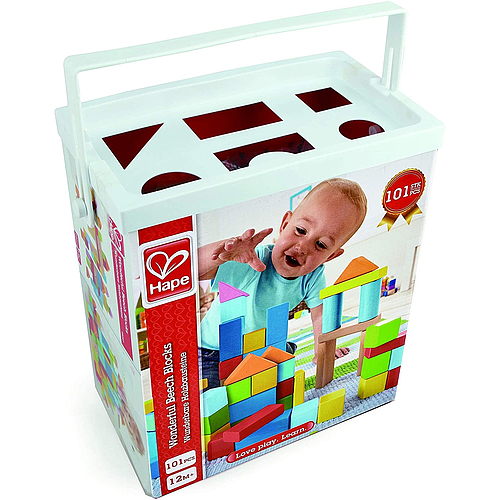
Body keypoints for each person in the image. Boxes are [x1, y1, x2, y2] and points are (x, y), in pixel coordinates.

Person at [198, 178, 367, 388]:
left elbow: (320, 314)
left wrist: (321, 348)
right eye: (301, 231)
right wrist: (223, 252)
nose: (302, 247)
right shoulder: (252, 261)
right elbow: (191, 270)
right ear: (285, 224)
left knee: (282, 372)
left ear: (330, 256)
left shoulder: (313, 276)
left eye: (321, 245)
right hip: (214, 351)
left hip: (259, 348)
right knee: (210, 395)